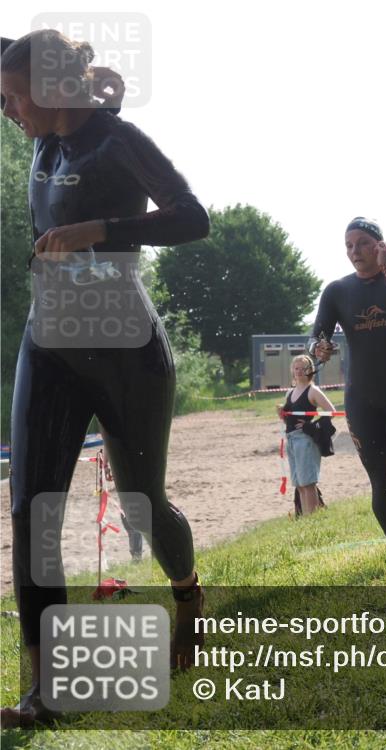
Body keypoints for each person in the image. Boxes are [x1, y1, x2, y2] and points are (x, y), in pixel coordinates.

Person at [1, 30, 211, 725]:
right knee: (32, 511)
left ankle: (188, 592)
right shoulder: (43, 135)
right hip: (50, 344)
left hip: (127, 346)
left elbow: (191, 216)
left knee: (141, 508)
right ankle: (45, 691)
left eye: (11, 97)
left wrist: (103, 228)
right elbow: (17, 52)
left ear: (47, 88)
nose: (6, 110)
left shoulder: (118, 141)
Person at [310, 217, 386, 568]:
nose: (354, 252)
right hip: (362, 398)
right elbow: (317, 335)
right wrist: (320, 348)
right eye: (349, 245)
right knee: (380, 479)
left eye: (362, 243)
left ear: (379, 244)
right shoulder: (337, 290)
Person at [277, 355, 336, 516]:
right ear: (292, 371)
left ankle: (313, 518)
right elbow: (287, 417)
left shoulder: (313, 391)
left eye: (304, 368)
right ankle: (305, 518)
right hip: (291, 440)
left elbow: (331, 411)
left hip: (305, 440)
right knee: (300, 484)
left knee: (308, 483)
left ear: (310, 371)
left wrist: (311, 425)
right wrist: (281, 413)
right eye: (296, 368)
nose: (300, 371)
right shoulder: (290, 392)